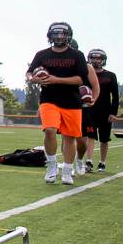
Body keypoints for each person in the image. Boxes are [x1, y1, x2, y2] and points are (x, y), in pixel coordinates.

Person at [27, 22, 89, 186]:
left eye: (63, 33)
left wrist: (56, 80)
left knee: (69, 137)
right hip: (49, 99)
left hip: (72, 101)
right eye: (56, 33)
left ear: (68, 35)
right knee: (49, 131)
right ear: (50, 35)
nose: (59, 36)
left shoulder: (77, 55)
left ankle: (67, 170)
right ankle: (52, 165)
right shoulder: (42, 54)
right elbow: (29, 73)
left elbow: (81, 79)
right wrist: (33, 79)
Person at [84, 49, 119, 172]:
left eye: (98, 58)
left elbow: (115, 95)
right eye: (93, 58)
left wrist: (113, 113)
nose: (96, 60)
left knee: (104, 138)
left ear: (103, 59)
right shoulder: (86, 73)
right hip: (90, 110)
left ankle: (102, 162)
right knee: (90, 135)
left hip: (105, 111)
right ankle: (89, 161)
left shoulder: (110, 75)